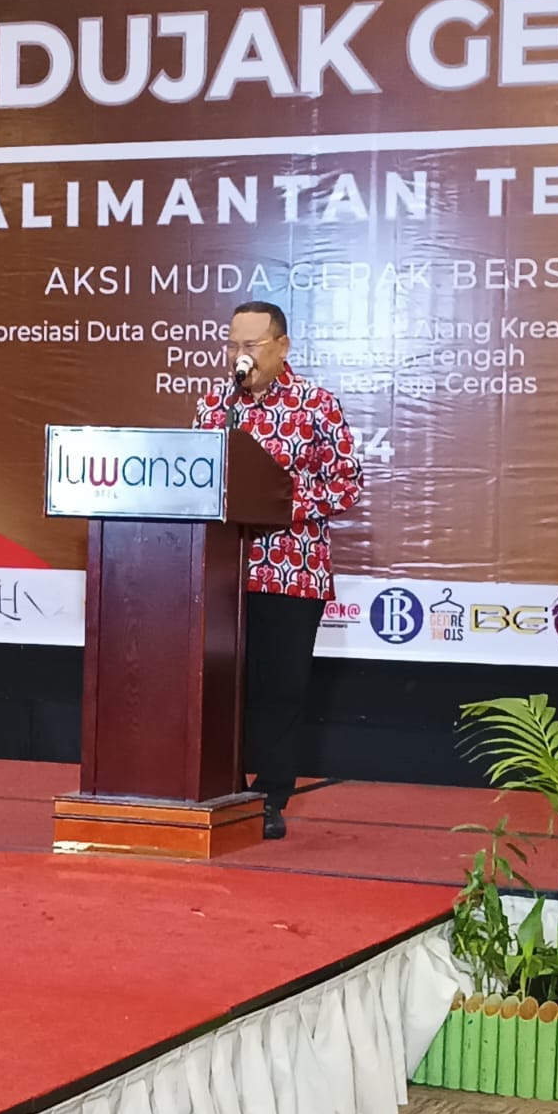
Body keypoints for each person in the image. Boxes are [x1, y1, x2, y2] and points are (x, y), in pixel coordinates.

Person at [192, 301, 364, 839]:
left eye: (251, 346)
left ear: (282, 346)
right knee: (223, 683)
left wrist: (281, 506)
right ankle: (222, 784)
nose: (239, 356)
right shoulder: (214, 405)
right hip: (223, 572)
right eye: (232, 345)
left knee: (279, 688)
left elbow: (347, 483)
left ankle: (271, 796)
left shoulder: (316, 405)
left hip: (291, 570)